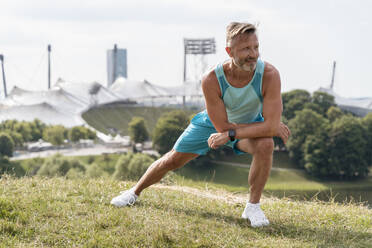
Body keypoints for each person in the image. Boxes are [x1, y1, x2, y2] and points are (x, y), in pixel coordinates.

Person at [111, 22, 291, 228]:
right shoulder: (212, 78)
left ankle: (253, 207)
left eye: (256, 47)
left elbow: (267, 128)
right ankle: (134, 192)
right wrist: (263, 127)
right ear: (229, 51)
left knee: (266, 144)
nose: (253, 54)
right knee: (173, 160)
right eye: (245, 49)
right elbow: (224, 126)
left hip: (245, 125)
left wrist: (250, 130)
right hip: (214, 124)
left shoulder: (269, 75)